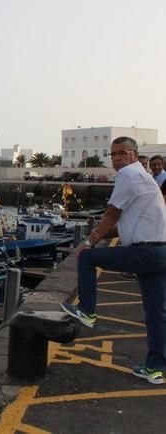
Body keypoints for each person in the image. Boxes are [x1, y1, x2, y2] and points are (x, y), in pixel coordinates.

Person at [60, 136, 166, 385]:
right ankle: (156, 369)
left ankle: (87, 310)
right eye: (113, 154)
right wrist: (102, 233)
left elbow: (111, 213)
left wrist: (90, 242)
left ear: (134, 154)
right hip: (160, 253)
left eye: (123, 152)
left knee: (86, 258)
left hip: (145, 252)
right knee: (157, 313)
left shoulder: (129, 175)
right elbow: (122, 226)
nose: (117, 158)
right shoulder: (145, 178)